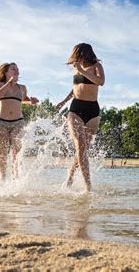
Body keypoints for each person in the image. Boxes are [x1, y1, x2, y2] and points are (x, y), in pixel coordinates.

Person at [56, 43, 105, 192]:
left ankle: (69, 178)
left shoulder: (97, 65)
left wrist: (82, 71)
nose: (75, 58)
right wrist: (64, 102)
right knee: (80, 146)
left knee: (82, 150)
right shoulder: (76, 69)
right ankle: (88, 188)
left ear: (84, 53)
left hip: (93, 110)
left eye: (77, 54)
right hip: (76, 108)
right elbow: (75, 88)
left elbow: (100, 82)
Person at [0, 62, 39, 181]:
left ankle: (15, 178)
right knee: (2, 154)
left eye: (17, 69)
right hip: (1, 123)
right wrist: (9, 83)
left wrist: (31, 101)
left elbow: (24, 100)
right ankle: (2, 178)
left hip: (18, 122)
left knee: (16, 152)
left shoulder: (22, 87)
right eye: (13, 69)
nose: (17, 71)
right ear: (6, 73)